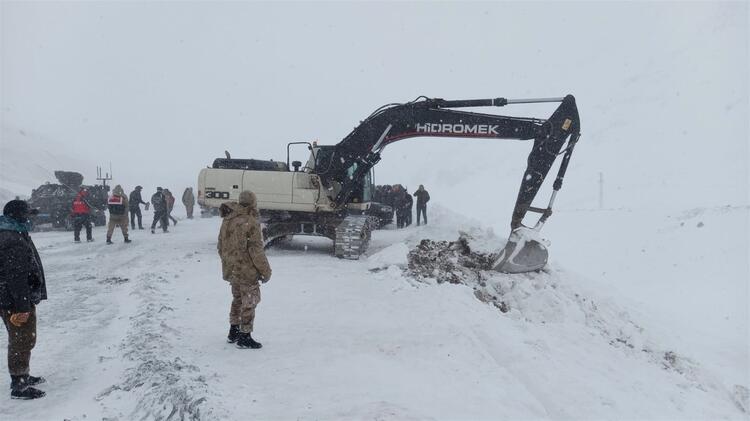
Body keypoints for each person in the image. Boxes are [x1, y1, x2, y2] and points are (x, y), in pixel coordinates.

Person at [0, 200, 47, 399]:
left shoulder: (14, 231)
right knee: (22, 339)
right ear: (17, 215)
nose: (29, 216)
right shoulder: (11, 238)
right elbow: (16, 276)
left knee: (22, 338)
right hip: (15, 300)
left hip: (12, 297)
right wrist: (22, 306)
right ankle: (19, 384)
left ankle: (22, 375)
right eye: (27, 213)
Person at [217, 191, 272, 349]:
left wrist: (229, 262)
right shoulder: (250, 221)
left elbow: (221, 246)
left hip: (233, 270)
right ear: (253, 202)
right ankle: (245, 336)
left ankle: (233, 331)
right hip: (247, 270)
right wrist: (265, 271)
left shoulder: (228, 219)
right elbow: (256, 251)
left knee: (237, 299)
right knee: (249, 301)